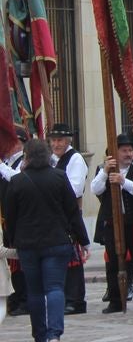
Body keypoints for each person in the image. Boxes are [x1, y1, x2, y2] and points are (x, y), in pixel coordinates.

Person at [2, 138, 90, 342]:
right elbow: (73, 213)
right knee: (55, 288)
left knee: (34, 291)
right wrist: (83, 241)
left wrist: (13, 241)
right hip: (57, 242)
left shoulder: (17, 182)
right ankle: (54, 334)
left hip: (28, 245)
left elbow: (10, 216)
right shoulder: (60, 177)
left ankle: (40, 334)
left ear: (27, 157)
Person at [90, 132, 133, 314]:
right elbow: (95, 188)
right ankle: (115, 300)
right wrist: (105, 172)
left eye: (130, 150)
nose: (128, 154)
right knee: (112, 262)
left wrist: (123, 181)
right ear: (115, 152)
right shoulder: (104, 169)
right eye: (124, 150)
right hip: (112, 222)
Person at [46, 124, 87, 315]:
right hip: (55, 217)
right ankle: (65, 297)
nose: (56, 144)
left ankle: (76, 300)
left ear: (68, 141)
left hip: (69, 216)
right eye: (53, 140)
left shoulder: (75, 159)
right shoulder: (52, 160)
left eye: (60, 140)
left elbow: (75, 189)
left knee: (73, 260)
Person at [0, 129, 29, 317]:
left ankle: (24, 299)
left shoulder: (24, 162)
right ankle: (16, 297)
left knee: (21, 263)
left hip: (20, 219)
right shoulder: (7, 163)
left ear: (19, 143)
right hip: (7, 218)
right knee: (11, 264)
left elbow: (16, 179)